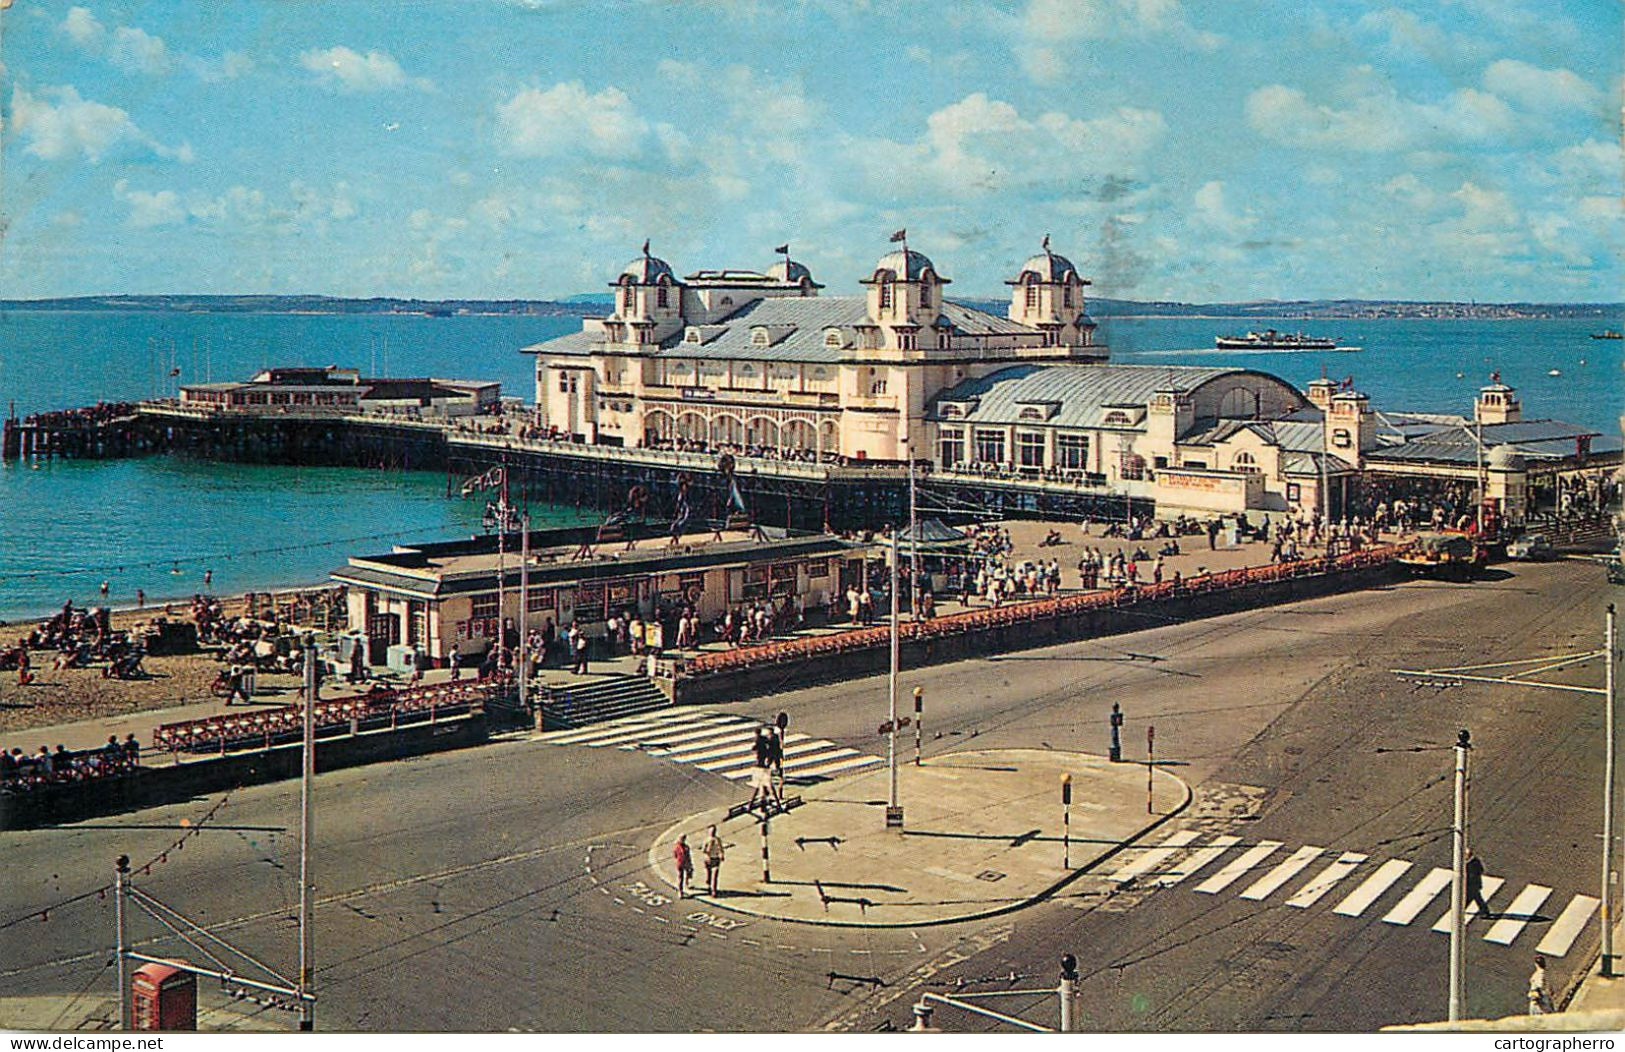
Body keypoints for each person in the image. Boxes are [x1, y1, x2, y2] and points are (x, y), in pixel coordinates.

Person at [747, 728, 773, 809]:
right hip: (765, 755)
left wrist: (753, 748)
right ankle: (765, 790)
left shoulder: (758, 739)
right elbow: (768, 743)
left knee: (761, 772)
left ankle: (764, 791)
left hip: (760, 756)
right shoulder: (763, 738)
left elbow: (756, 746)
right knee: (763, 772)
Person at [1465, 850, 1492, 917]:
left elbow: (1481, 870)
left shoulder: (1474, 862)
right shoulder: (1465, 862)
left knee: (1475, 898)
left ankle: (1485, 911)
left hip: (1473, 884)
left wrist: (1473, 876)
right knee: (1475, 897)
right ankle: (1485, 911)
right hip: (1469, 884)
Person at [702, 824, 725, 895]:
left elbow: (721, 848)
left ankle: (714, 890)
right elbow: (703, 850)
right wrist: (707, 856)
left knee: (715, 875)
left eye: (713, 831)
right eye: (711, 831)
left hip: (716, 859)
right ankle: (708, 884)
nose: (712, 832)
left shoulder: (718, 840)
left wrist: (721, 855)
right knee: (709, 874)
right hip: (709, 859)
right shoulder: (706, 840)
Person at [672, 834, 694, 899]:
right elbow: (675, 855)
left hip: (684, 863)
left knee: (687, 874)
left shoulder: (686, 847)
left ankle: (687, 884)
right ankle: (680, 891)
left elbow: (688, 855)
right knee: (680, 877)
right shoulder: (678, 847)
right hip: (681, 863)